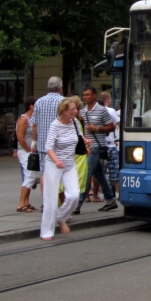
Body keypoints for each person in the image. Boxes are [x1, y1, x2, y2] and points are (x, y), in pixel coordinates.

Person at [40, 97, 86, 240]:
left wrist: (86, 141)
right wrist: (57, 161)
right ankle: (46, 231)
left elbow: (79, 137)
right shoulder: (55, 125)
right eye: (73, 109)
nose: (76, 111)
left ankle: (61, 217)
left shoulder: (74, 122)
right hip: (54, 164)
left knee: (74, 195)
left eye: (77, 108)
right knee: (51, 199)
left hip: (69, 164)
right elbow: (48, 147)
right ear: (64, 111)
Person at [76, 86, 118, 213]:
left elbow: (112, 126)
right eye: (84, 95)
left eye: (87, 95)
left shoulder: (101, 110)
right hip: (88, 147)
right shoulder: (83, 112)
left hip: (97, 147)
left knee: (86, 175)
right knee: (99, 174)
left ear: (94, 96)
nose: (85, 97)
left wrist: (97, 129)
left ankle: (77, 204)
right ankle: (110, 200)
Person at [31, 77, 64, 194]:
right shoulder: (64, 102)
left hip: (43, 145)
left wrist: (34, 141)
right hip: (60, 143)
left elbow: (35, 125)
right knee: (60, 173)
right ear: (60, 88)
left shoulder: (39, 101)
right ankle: (58, 199)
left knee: (44, 173)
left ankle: (45, 201)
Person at [15, 97, 38, 212]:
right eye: (36, 105)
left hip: (30, 151)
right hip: (24, 151)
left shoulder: (32, 118)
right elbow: (20, 136)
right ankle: (21, 203)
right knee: (29, 175)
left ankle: (27, 202)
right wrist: (28, 149)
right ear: (31, 106)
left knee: (31, 176)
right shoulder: (24, 119)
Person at [99, 91, 121, 199]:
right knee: (114, 169)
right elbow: (119, 123)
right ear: (107, 100)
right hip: (111, 145)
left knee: (101, 171)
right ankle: (117, 192)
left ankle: (102, 193)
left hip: (100, 145)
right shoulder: (111, 111)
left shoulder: (96, 111)